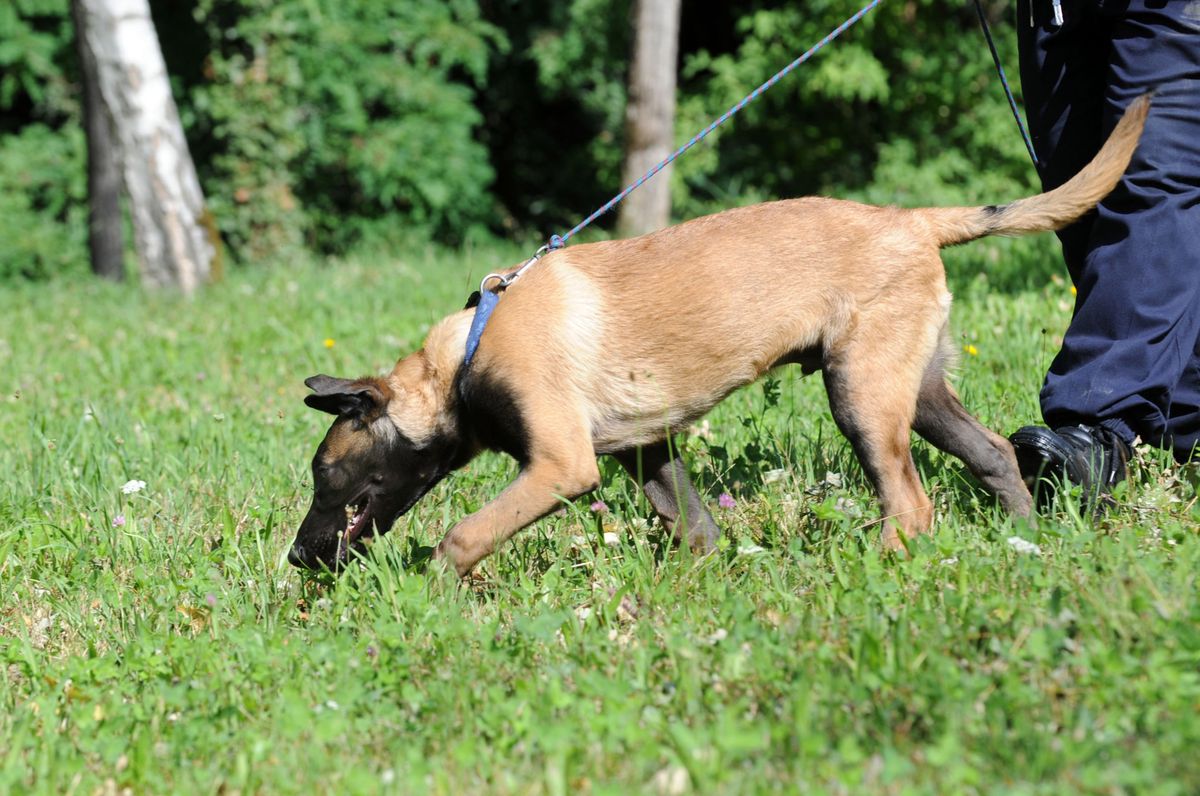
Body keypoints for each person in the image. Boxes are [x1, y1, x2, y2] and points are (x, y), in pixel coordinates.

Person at [1008, 0, 1200, 501]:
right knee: (1079, 204)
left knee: (1150, 188)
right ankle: (1184, 428)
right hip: (1053, 13)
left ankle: (1096, 427)